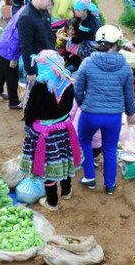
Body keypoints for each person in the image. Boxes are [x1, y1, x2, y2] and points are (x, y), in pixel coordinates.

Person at [74, 25, 135, 194]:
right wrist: (131, 115)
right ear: (116, 43)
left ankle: (90, 178)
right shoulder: (125, 67)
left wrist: (83, 105)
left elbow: (78, 89)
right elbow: (129, 95)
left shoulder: (87, 62)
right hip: (113, 117)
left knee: (85, 141)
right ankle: (109, 186)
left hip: (90, 114)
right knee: (110, 149)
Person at [20, 50, 82, 211]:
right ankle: (67, 191)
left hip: (44, 133)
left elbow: (31, 110)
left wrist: (27, 124)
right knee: (64, 160)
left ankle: (52, 202)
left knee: (48, 167)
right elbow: (69, 106)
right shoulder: (67, 82)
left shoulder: (40, 86)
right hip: (64, 129)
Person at [18, 0, 56, 82]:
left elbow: (48, 32)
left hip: (48, 59)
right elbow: (26, 47)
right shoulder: (26, 18)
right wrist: (31, 71)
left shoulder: (43, 11)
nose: (50, 4)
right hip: (38, 64)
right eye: (49, 0)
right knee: (36, 94)